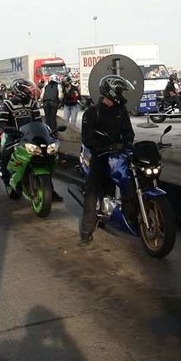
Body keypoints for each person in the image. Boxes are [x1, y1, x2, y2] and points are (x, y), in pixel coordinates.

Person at [79, 75, 135, 246]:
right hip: (100, 155)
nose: (122, 94)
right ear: (110, 91)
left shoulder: (121, 111)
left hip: (119, 154)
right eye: (119, 91)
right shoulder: (92, 112)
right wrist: (102, 147)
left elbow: (128, 132)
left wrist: (127, 143)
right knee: (93, 189)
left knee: (133, 178)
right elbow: (87, 139)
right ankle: (87, 229)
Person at [0, 78, 63, 202]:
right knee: (6, 154)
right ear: (19, 90)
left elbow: (38, 121)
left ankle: (50, 190)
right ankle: (7, 180)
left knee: (48, 157)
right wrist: (11, 130)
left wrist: (47, 133)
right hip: (15, 135)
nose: (29, 92)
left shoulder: (32, 103)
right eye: (27, 89)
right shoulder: (8, 104)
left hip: (31, 135)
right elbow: (2, 123)